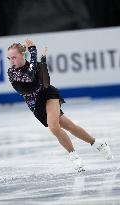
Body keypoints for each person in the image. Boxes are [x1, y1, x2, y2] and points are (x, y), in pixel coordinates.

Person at [7, 39, 113, 173]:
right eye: (9, 58)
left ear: (22, 55)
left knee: (54, 126)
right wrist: (34, 54)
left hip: (48, 95)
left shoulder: (35, 64)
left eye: (14, 57)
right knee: (69, 126)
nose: (11, 61)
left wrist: (41, 61)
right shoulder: (12, 73)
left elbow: (45, 82)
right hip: (35, 105)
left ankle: (74, 156)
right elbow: (29, 77)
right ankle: (98, 143)